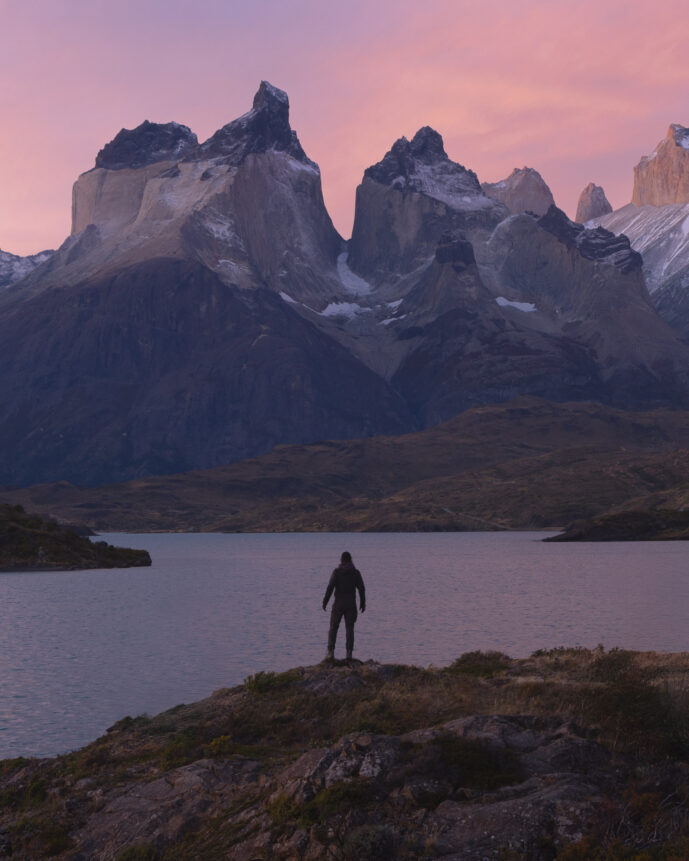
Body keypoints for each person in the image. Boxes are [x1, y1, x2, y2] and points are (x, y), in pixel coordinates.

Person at [322, 551, 366, 661]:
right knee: (349, 629)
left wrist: (325, 601)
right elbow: (361, 589)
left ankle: (330, 652)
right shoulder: (355, 573)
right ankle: (349, 653)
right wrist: (363, 603)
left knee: (333, 627)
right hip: (351, 604)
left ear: (341, 560)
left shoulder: (336, 572)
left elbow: (330, 588)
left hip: (338, 604)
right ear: (351, 559)